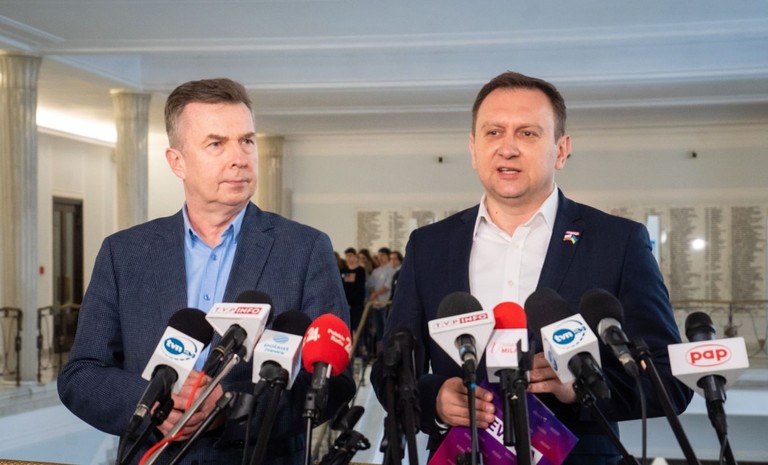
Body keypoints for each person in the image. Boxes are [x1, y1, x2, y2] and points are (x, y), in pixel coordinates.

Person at [371, 71, 692, 464]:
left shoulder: (618, 242)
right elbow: (389, 370)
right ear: (473, 148)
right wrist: (435, 400)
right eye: (493, 133)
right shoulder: (429, 246)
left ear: (561, 150)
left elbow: (670, 380)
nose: (507, 148)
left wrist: (578, 388)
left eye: (527, 133)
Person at [58, 78, 354, 465]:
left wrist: (230, 406)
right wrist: (150, 401)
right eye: (216, 144)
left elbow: (334, 384)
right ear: (176, 162)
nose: (239, 158)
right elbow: (81, 374)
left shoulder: (304, 249)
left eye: (246, 141)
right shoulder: (125, 253)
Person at [340, 247, 366, 336]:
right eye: (347, 256)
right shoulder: (343, 271)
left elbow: (359, 288)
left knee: (358, 329)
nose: (348, 258)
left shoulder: (360, 271)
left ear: (355, 257)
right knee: (346, 329)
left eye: (350, 256)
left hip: (356, 305)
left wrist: (351, 303)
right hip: (345, 305)